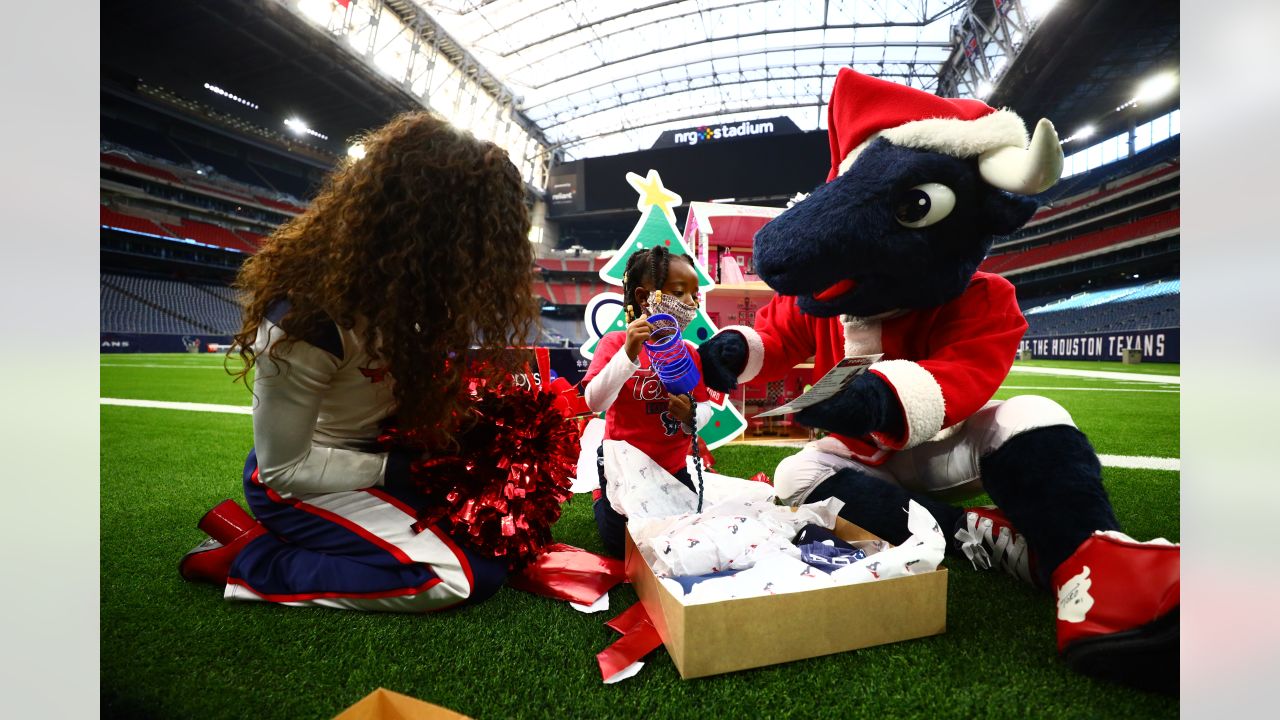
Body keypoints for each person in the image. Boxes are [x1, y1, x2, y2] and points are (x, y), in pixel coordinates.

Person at [178, 112, 538, 612]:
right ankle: (247, 558)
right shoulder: (308, 317)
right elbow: (283, 468)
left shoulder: (422, 300)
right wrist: (399, 471)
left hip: (382, 464)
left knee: (500, 542)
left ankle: (297, 543)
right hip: (303, 482)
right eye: (472, 239)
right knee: (460, 577)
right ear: (421, 228)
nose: (479, 261)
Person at [582, 246, 711, 556]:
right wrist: (627, 355)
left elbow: (704, 407)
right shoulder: (615, 344)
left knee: (686, 539)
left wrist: (691, 414)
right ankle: (602, 494)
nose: (692, 303)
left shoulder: (689, 353)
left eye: (694, 294)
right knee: (622, 548)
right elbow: (594, 401)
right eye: (680, 292)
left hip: (671, 466)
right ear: (644, 298)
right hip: (624, 468)